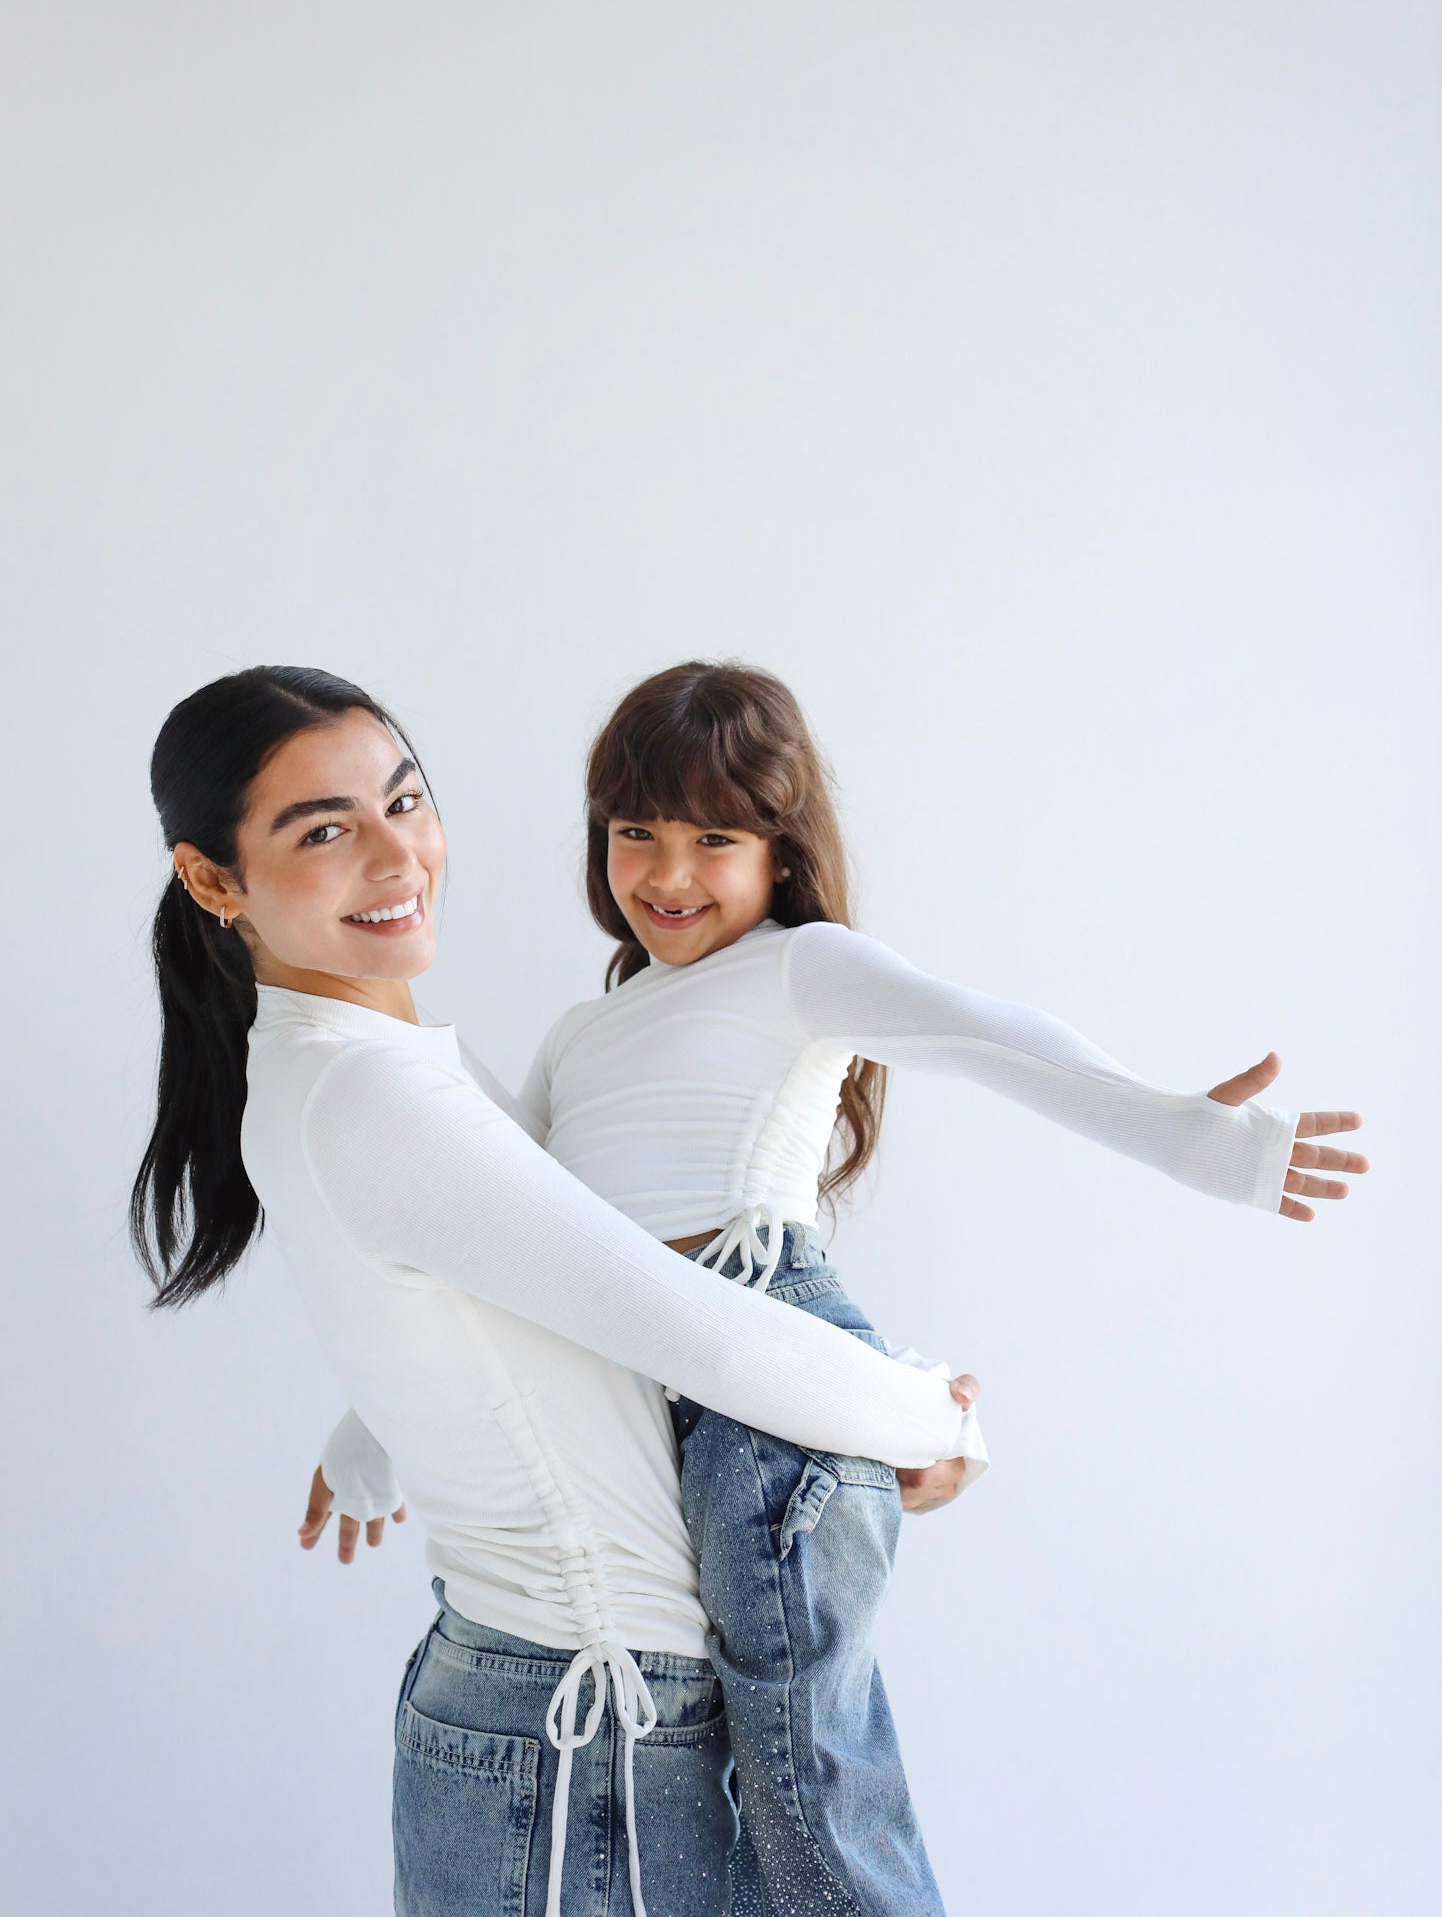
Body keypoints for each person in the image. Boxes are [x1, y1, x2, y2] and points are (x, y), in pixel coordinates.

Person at [314, 659, 1368, 1917]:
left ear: (778, 846)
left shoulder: (800, 967)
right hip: (654, 1390)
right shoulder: (578, 1036)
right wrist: (364, 1440)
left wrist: (1191, 1136)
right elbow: (483, 1254)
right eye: (633, 831)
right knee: (730, 1813)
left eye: (713, 837)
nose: (665, 873)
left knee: (814, 1801)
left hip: (765, 1380)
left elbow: (987, 1031)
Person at [130, 663, 986, 1917]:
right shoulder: (372, 1092)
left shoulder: (392, 1061)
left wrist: (368, 1433)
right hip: (577, 1732)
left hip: (565, 1719)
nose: (394, 855)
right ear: (213, 880)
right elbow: (697, 1331)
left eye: (403, 801)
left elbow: (515, 1300)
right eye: (323, 829)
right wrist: (936, 1416)